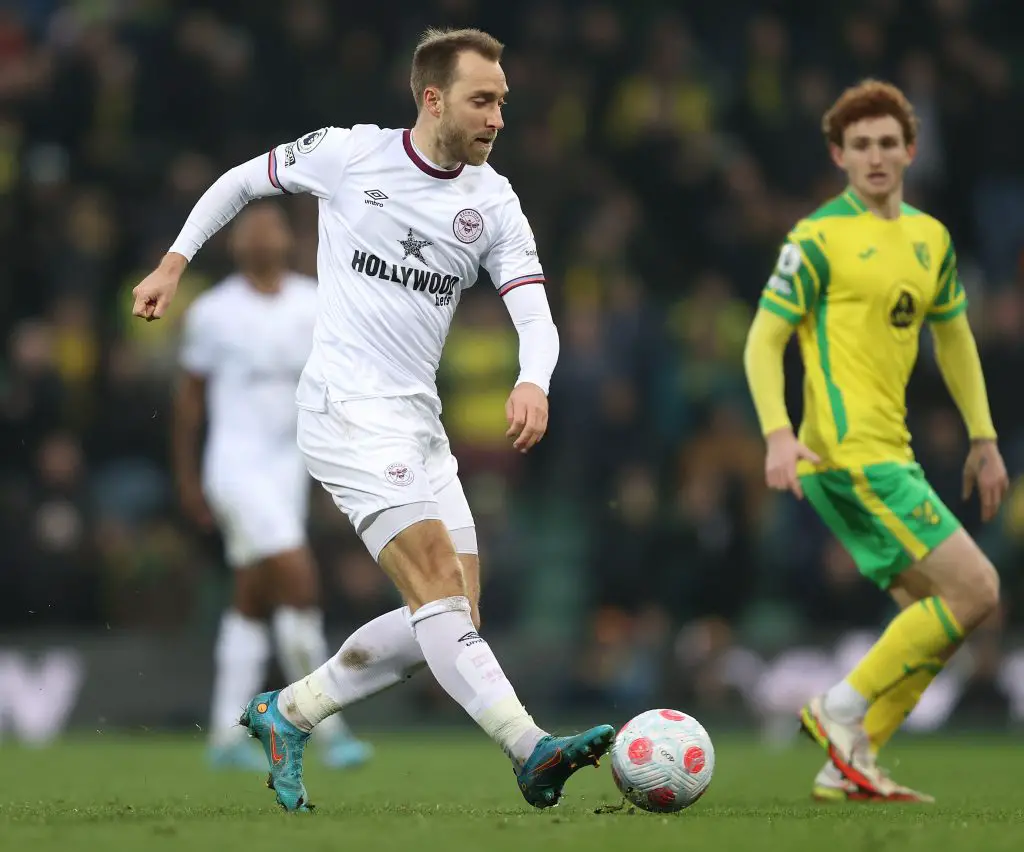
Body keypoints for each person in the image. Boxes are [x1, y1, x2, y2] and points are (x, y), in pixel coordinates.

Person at [133, 27, 614, 812]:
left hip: (419, 421)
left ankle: (289, 712)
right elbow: (242, 181)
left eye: (503, 103)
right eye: (481, 101)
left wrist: (535, 381)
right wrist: (176, 260)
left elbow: (537, 316)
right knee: (437, 592)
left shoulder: (492, 200)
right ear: (433, 99)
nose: (498, 118)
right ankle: (532, 750)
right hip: (345, 410)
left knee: (455, 614)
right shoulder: (351, 155)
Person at [743, 79, 1008, 803]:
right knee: (979, 589)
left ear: (911, 150)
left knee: (942, 618)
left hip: (894, 452)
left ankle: (848, 763)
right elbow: (763, 343)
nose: (876, 156)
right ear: (839, 155)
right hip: (847, 453)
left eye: (888, 142)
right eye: (860, 145)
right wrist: (775, 435)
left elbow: (954, 340)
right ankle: (841, 707)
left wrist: (983, 437)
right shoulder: (817, 238)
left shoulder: (930, 239)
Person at [173, 201, 372, 771]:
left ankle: (224, 738)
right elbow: (188, 402)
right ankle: (329, 729)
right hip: (232, 466)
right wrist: (188, 479)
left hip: (288, 467)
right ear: (235, 244)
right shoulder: (212, 311)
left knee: (252, 600)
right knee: (299, 579)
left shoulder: (314, 303)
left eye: (270, 225)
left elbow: (338, 386)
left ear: (289, 238)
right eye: (248, 227)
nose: (260, 233)